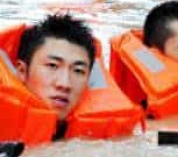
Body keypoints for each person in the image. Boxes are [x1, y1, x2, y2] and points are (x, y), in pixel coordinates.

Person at [3, 14, 143, 143]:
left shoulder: (112, 137)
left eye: (78, 71)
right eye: (52, 65)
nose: (65, 84)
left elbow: (151, 136)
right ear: (22, 71)